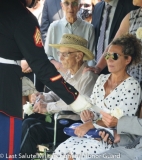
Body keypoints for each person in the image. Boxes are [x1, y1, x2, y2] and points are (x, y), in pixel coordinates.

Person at [0, 0, 84, 158]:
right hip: (5, 91)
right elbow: (41, 66)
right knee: (6, 152)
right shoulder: (23, 17)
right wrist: (75, 98)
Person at [51, 34, 142, 159]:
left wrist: (91, 124)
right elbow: (92, 107)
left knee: (74, 155)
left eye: (114, 56)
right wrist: (88, 116)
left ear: (127, 59)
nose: (109, 59)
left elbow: (120, 121)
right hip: (91, 134)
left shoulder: (132, 85)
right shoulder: (101, 79)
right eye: (107, 55)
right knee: (61, 151)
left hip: (111, 139)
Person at [20, 34, 99, 158]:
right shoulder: (68, 74)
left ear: (79, 56)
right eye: (59, 53)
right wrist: (42, 96)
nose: (60, 58)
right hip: (60, 120)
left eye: (65, 54)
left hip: (74, 125)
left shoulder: (88, 77)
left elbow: (76, 104)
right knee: (27, 119)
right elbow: (57, 94)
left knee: (31, 127)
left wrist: (48, 107)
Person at [45, 0, 95, 74]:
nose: (70, 7)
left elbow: (92, 58)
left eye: (74, 3)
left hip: (81, 77)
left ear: (79, 6)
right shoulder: (54, 27)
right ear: (62, 5)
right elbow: (47, 56)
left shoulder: (89, 28)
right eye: (66, 3)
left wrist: (84, 74)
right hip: (59, 76)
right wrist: (60, 66)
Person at [91, 0, 138, 74]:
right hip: (97, 68)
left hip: (120, 70)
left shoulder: (131, 6)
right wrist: (98, 66)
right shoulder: (97, 7)